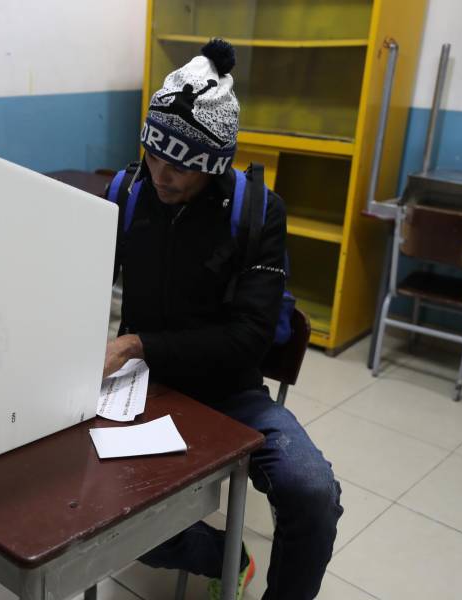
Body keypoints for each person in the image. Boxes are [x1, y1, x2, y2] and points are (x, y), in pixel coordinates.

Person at [103, 38, 343, 600]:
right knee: (95, 505)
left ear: (214, 163)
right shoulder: (127, 192)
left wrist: (137, 343)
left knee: (311, 492)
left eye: (182, 165)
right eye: (154, 154)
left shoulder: (259, 213)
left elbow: (249, 339)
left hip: (230, 392)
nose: (162, 175)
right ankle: (221, 554)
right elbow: (76, 284)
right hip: (143, 390)